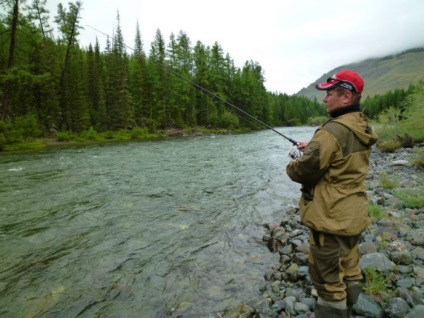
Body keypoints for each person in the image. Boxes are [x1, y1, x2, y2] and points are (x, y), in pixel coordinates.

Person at [286, 70, 378, 317]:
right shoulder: (360, 124)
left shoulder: (330, 131)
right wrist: (314, 146)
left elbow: (302, 173)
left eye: (329, 93)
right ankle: (351, 307)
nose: (325, 99)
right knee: (350, 266)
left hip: (330, 218)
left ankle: (335, 309)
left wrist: (294, 163)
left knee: (327, 281)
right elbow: (339, 155)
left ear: (346, 97)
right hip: (353, 212)